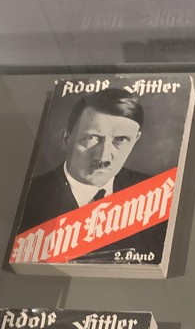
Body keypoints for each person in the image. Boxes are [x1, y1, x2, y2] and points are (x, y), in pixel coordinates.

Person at [19, 88, 150, 229]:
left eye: (121, 139)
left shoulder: (153, 193)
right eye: (91, 138)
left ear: (135, 140)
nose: (104, 156)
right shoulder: (28, 196)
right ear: (66, 139)